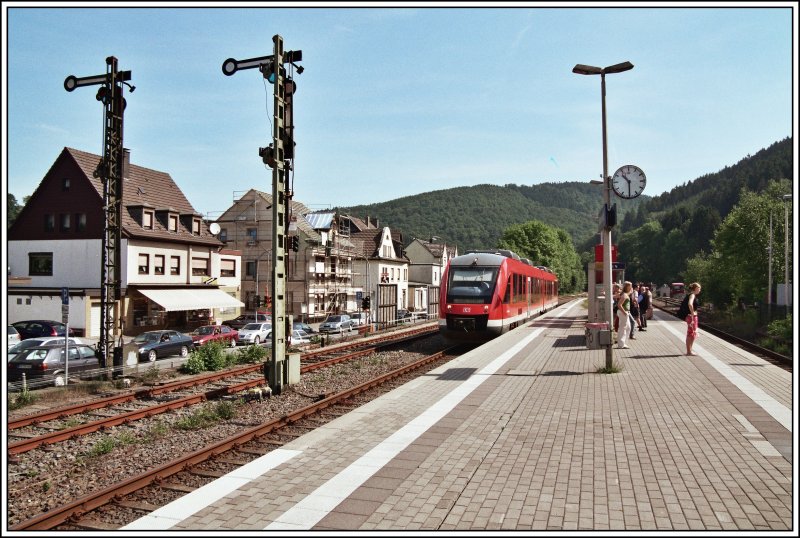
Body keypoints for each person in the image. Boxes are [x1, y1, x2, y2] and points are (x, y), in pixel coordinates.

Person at [678, 282, 702, 356]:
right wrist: (692, 314)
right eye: (699, 288)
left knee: (692, 333)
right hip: (691, 317)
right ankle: (689, 351)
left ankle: (690, 350)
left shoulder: (692, 295)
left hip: (692, 316)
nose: (700, 290)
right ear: (695, 288)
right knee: (691, 333)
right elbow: (690, 304)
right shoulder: (692, 295)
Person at [616, 281, 633, 349]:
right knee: (622, 328)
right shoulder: (624, 295)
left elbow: (629, 292)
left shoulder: (625, 294)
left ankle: (624, 343)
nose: (631, 287)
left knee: (628, 327)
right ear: (627, 287)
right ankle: (621, 344)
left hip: (625, 313)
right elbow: (619, 305)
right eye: (630, 286)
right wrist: (624, 312)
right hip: (624, 313)